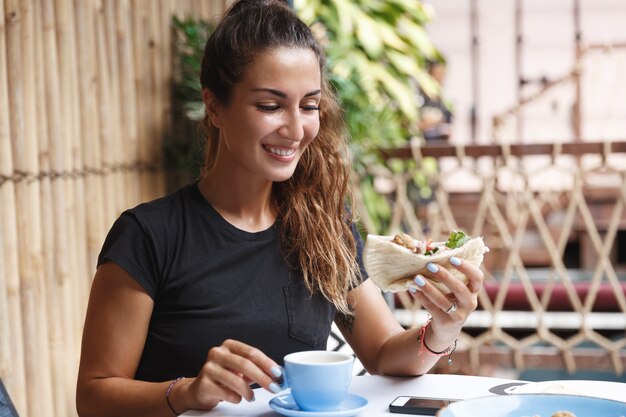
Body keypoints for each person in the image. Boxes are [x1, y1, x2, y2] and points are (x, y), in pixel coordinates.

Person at [76, 1, 484, 416]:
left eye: (309, 106)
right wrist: (189, 392)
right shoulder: (148, 235)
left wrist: (442, 329)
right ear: (215, 107)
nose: (295, 129)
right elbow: (93, 397)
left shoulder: (324, 225)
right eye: (270, 106)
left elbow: (381, 353)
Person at [418, 59, 454, 142]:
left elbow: (449, 128)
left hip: (439, 148)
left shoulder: (445, 103)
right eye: (437, 75)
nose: (440, 79)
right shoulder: (416, 100)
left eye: (442, 75)